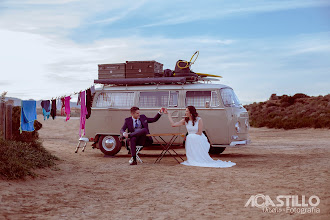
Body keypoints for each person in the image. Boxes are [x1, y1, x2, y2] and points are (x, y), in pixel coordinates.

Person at [165, 106, 236, 168]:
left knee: (191, 137)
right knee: (189, 137)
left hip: (198, 137)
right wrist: (169, 115)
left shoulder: (199, 120)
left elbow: (199, 132)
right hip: (191, 139)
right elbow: (173, 124)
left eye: (186, 111)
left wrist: (191, 136)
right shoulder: (185, 120)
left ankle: (199, 158)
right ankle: (193, 158)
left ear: (191, 112)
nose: (185, 112)